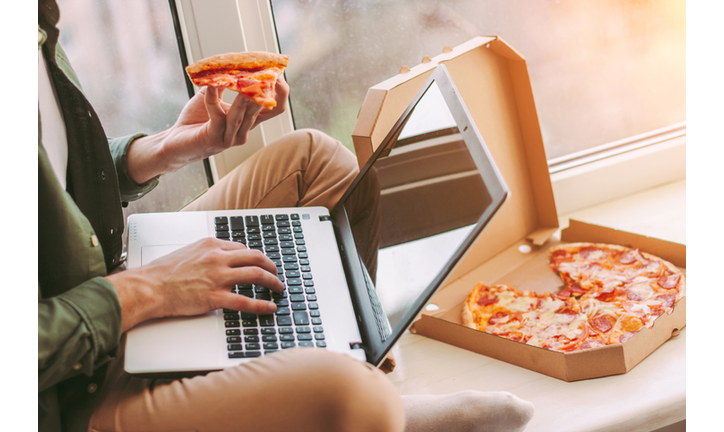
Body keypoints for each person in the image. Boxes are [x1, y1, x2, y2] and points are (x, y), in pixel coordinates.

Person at [38, 1, 535, 431]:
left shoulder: (35, 27)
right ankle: (356, 404)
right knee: (359, 402)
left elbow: (54, 183)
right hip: (72, 389)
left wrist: (163, 148)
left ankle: (324, 358)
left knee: (315, 161)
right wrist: (148, 290)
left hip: (102, 282)